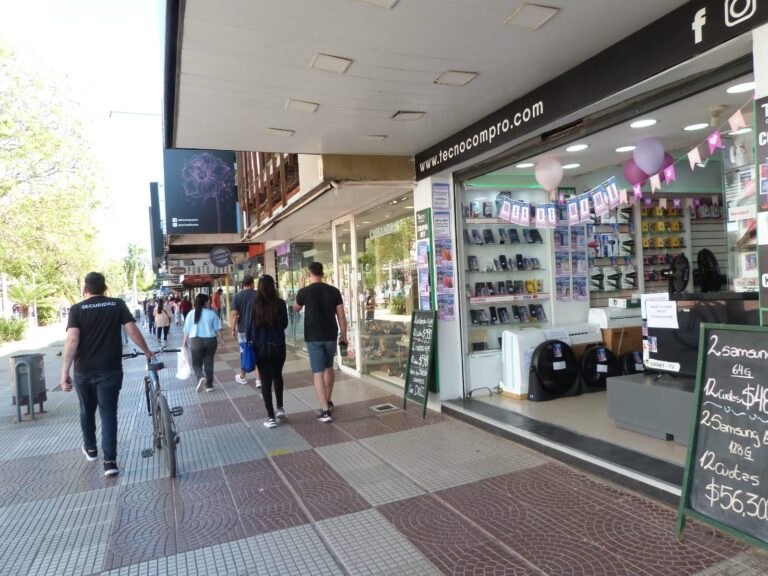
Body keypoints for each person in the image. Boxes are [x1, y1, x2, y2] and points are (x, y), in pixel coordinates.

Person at [59, 272, 154, 477]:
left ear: (85, 289)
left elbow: (72, 340)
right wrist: (147, 351)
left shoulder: (77, 309)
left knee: (86, 409)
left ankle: (91, 449)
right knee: (108, 413)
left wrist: (64, 371)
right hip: (110, 370)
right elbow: (132, 330)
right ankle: (110, 462)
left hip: (83, 370)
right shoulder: (117, 304)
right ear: (105, 289)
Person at [293, 262, 348, 423]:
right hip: (331, 335)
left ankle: (325, 411)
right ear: (322, 273)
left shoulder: (304, 292)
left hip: (313, 337)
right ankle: (328, 401)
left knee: (318, 372)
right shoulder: (334, 291)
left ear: (310, 274)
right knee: (329, 367)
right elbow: (341, 315)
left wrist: (300, 289)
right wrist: (344, 336)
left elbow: (295, 308)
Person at [246, 275, 288, 428]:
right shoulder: (281, 303)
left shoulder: (254, 304)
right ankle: (280, 408)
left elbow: (249, 327)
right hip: (278, 345)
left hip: (260, 347)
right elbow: (284, 324)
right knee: (277, 376)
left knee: (265, 380)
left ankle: (270, 417)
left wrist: (249, 341)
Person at [182, 293, 224, 392]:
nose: (209, 302)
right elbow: (218, 330)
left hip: (196, 341)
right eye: (208, 301)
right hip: (211, 341)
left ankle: (200, 377)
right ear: (205, 302)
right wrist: (222, 340)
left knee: (196, 364)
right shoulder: (212, 313)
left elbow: (186, 330)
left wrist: (184, 342)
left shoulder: (191, 314)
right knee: (209, 363)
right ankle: (209, 385)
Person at [231, 275, 262, 388]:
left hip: (243, 330)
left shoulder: (237, 296)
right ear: (253, 283)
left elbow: (234, 314)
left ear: (242, 285)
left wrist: (233, 328)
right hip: (257, 329)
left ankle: (243, 376)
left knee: (244, 351)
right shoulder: (258, 295)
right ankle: (258, 380)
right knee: (258, 352)